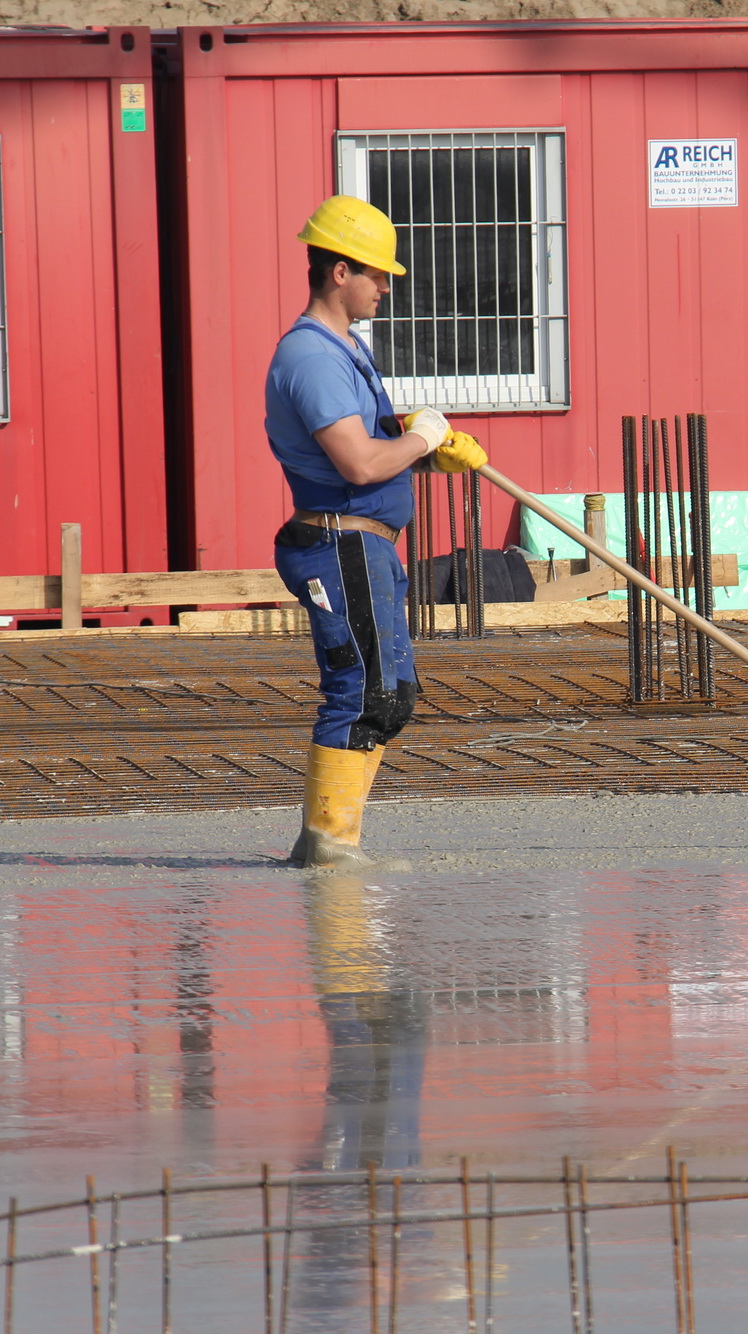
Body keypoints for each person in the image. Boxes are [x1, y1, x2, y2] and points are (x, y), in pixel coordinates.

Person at [266, 194, 488, 868]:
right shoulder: (312, 356)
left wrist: (421, 448)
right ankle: (328, 846)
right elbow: (358, 464)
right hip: (339, 545)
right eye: (377, 274)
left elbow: (371, 446)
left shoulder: (347, 350)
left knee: (390, 698)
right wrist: (422, 440)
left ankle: (334, 841)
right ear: (340, 272)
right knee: (362, 689)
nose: (386, 288)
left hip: (366, 546)